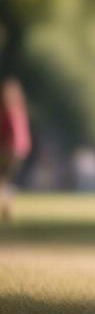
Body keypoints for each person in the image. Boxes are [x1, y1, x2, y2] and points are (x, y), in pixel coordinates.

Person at [0, 79, 31, 221]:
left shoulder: (9, 112)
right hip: (19, 151)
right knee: (6, 181)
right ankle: (7, 207)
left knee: (4, 181)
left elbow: (7, 132)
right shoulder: (20, 111)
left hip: (8, 150)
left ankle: (7, 206)